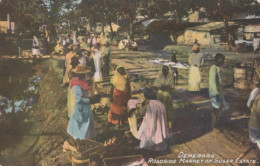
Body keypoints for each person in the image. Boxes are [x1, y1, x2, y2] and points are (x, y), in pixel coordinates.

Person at [66, 65, 95, 140]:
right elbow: (78, 97)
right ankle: (80, 138)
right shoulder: (76, 83)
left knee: (87, 122)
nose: (86, 75)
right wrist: (88, 100)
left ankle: (86, 137)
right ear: (80, 75)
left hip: (86, 105)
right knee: (80, 122)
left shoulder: (83, 82)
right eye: (84, 74)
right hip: (81, 105)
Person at [209, 53, 228, 128]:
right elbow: (213, 82)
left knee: (219, 109)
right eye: (223, 60)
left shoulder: (218, 68)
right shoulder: (213, 68)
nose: (224, 62)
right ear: (218, 60)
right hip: (215, 92)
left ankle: (217, 125)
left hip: (219, 92)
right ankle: (214, 126)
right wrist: (216, 93)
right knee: (216, 109)